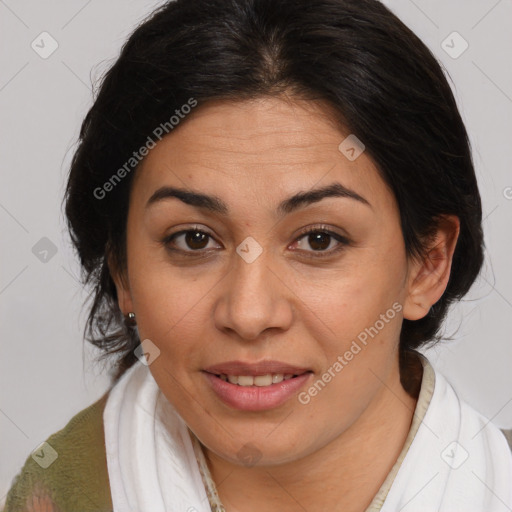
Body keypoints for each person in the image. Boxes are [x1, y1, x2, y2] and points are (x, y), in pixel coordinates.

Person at [3, 0, 512, 511]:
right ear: (122, 269)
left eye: (319, 240)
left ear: (427, 263)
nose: (248, 315)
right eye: (194, 240)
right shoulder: (57, 496)